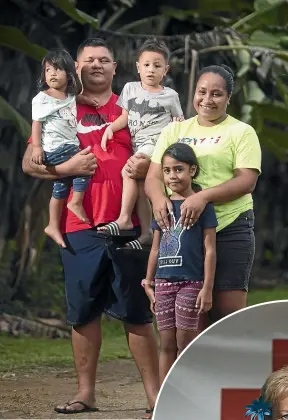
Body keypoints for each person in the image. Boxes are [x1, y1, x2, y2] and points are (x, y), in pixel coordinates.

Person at [22, 38, 159, 419]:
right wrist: (66, 170)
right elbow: (29, 164)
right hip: (77, 226)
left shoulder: (134, 107)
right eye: (88, 60)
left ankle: (155, 396)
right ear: (75, 68)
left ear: (116, 68)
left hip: (130, 225)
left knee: (136, 313)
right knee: (82, 312)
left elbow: (163, 155)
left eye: (104, 60)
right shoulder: (60, 105)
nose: (96, 65)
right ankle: (85, 393)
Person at [145, 64, 262, 325]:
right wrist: (158, 199)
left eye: (216, 94)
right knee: (192, 317)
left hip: (230, 227)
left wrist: (202, 197)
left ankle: (234, 366)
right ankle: (194, 366)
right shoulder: (175, 130)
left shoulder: (241, 132)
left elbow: (247, 180)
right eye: (202, 92)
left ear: (228, 97)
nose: (207, 100)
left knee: (227, 316)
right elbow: (153, 177)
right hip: (184, 233)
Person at [98, 39, 184, 249]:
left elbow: (179, 122)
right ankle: (147, 232)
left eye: (157, 66)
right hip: (140, 145)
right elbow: (125, 117)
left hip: (157, 144)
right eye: (146, 65)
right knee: (138, 183)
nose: (151, 70)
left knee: (128, 171)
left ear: (166, 70)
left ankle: (125, 218)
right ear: (138, 67)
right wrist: (110, 128)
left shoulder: (170, 95)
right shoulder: (130, 89)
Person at [144, 143, 217, 384]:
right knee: (165, 344)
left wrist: (207, 287)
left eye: (179, 169)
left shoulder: (202, 206)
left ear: (192, 170)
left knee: (184, 342)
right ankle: (165, 401)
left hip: (191, 283)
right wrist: (149, 282)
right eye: (166, 171)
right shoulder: (161, 207)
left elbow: (209, 250)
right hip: (163, 284)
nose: (172, 176)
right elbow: (155, 248)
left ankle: (186, 395)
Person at [31, 49, 92, 248]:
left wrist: (88, 100)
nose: (53, 74)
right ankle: (76, 202)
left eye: (58, 69)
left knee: (60, 187)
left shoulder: (69, 96)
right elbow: (37, 123)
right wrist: (37, 147)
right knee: (86, 164)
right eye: (48, 70)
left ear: (69, 74)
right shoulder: (42, 98)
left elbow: (76, 100)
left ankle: (53, 225)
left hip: (66, 147)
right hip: (57, 149)